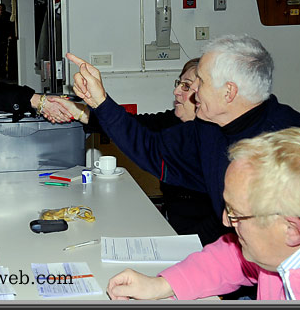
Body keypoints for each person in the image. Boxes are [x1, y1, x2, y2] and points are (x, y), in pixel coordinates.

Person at [67, 34, 300, 247]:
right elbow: (149, 146)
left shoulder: (289, 143)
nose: (193, 91)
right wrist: (100, 101)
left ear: (229, 91)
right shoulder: (209, 128)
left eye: (201, 81)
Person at [107, 127, 300, 300]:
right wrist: (162, 285)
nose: (225, 221)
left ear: (291, 230)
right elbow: (234, 257)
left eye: (236, 214)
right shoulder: (294, 226)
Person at [51, 58, 227, 244]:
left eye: (186, 86)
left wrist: (181, 245)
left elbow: (221, 225)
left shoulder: (221, 143)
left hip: (201, 247)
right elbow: (132, 127)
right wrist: (78, 111)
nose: (176, 91)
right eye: (179, 83)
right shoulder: (173, 122)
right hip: (173, 231)